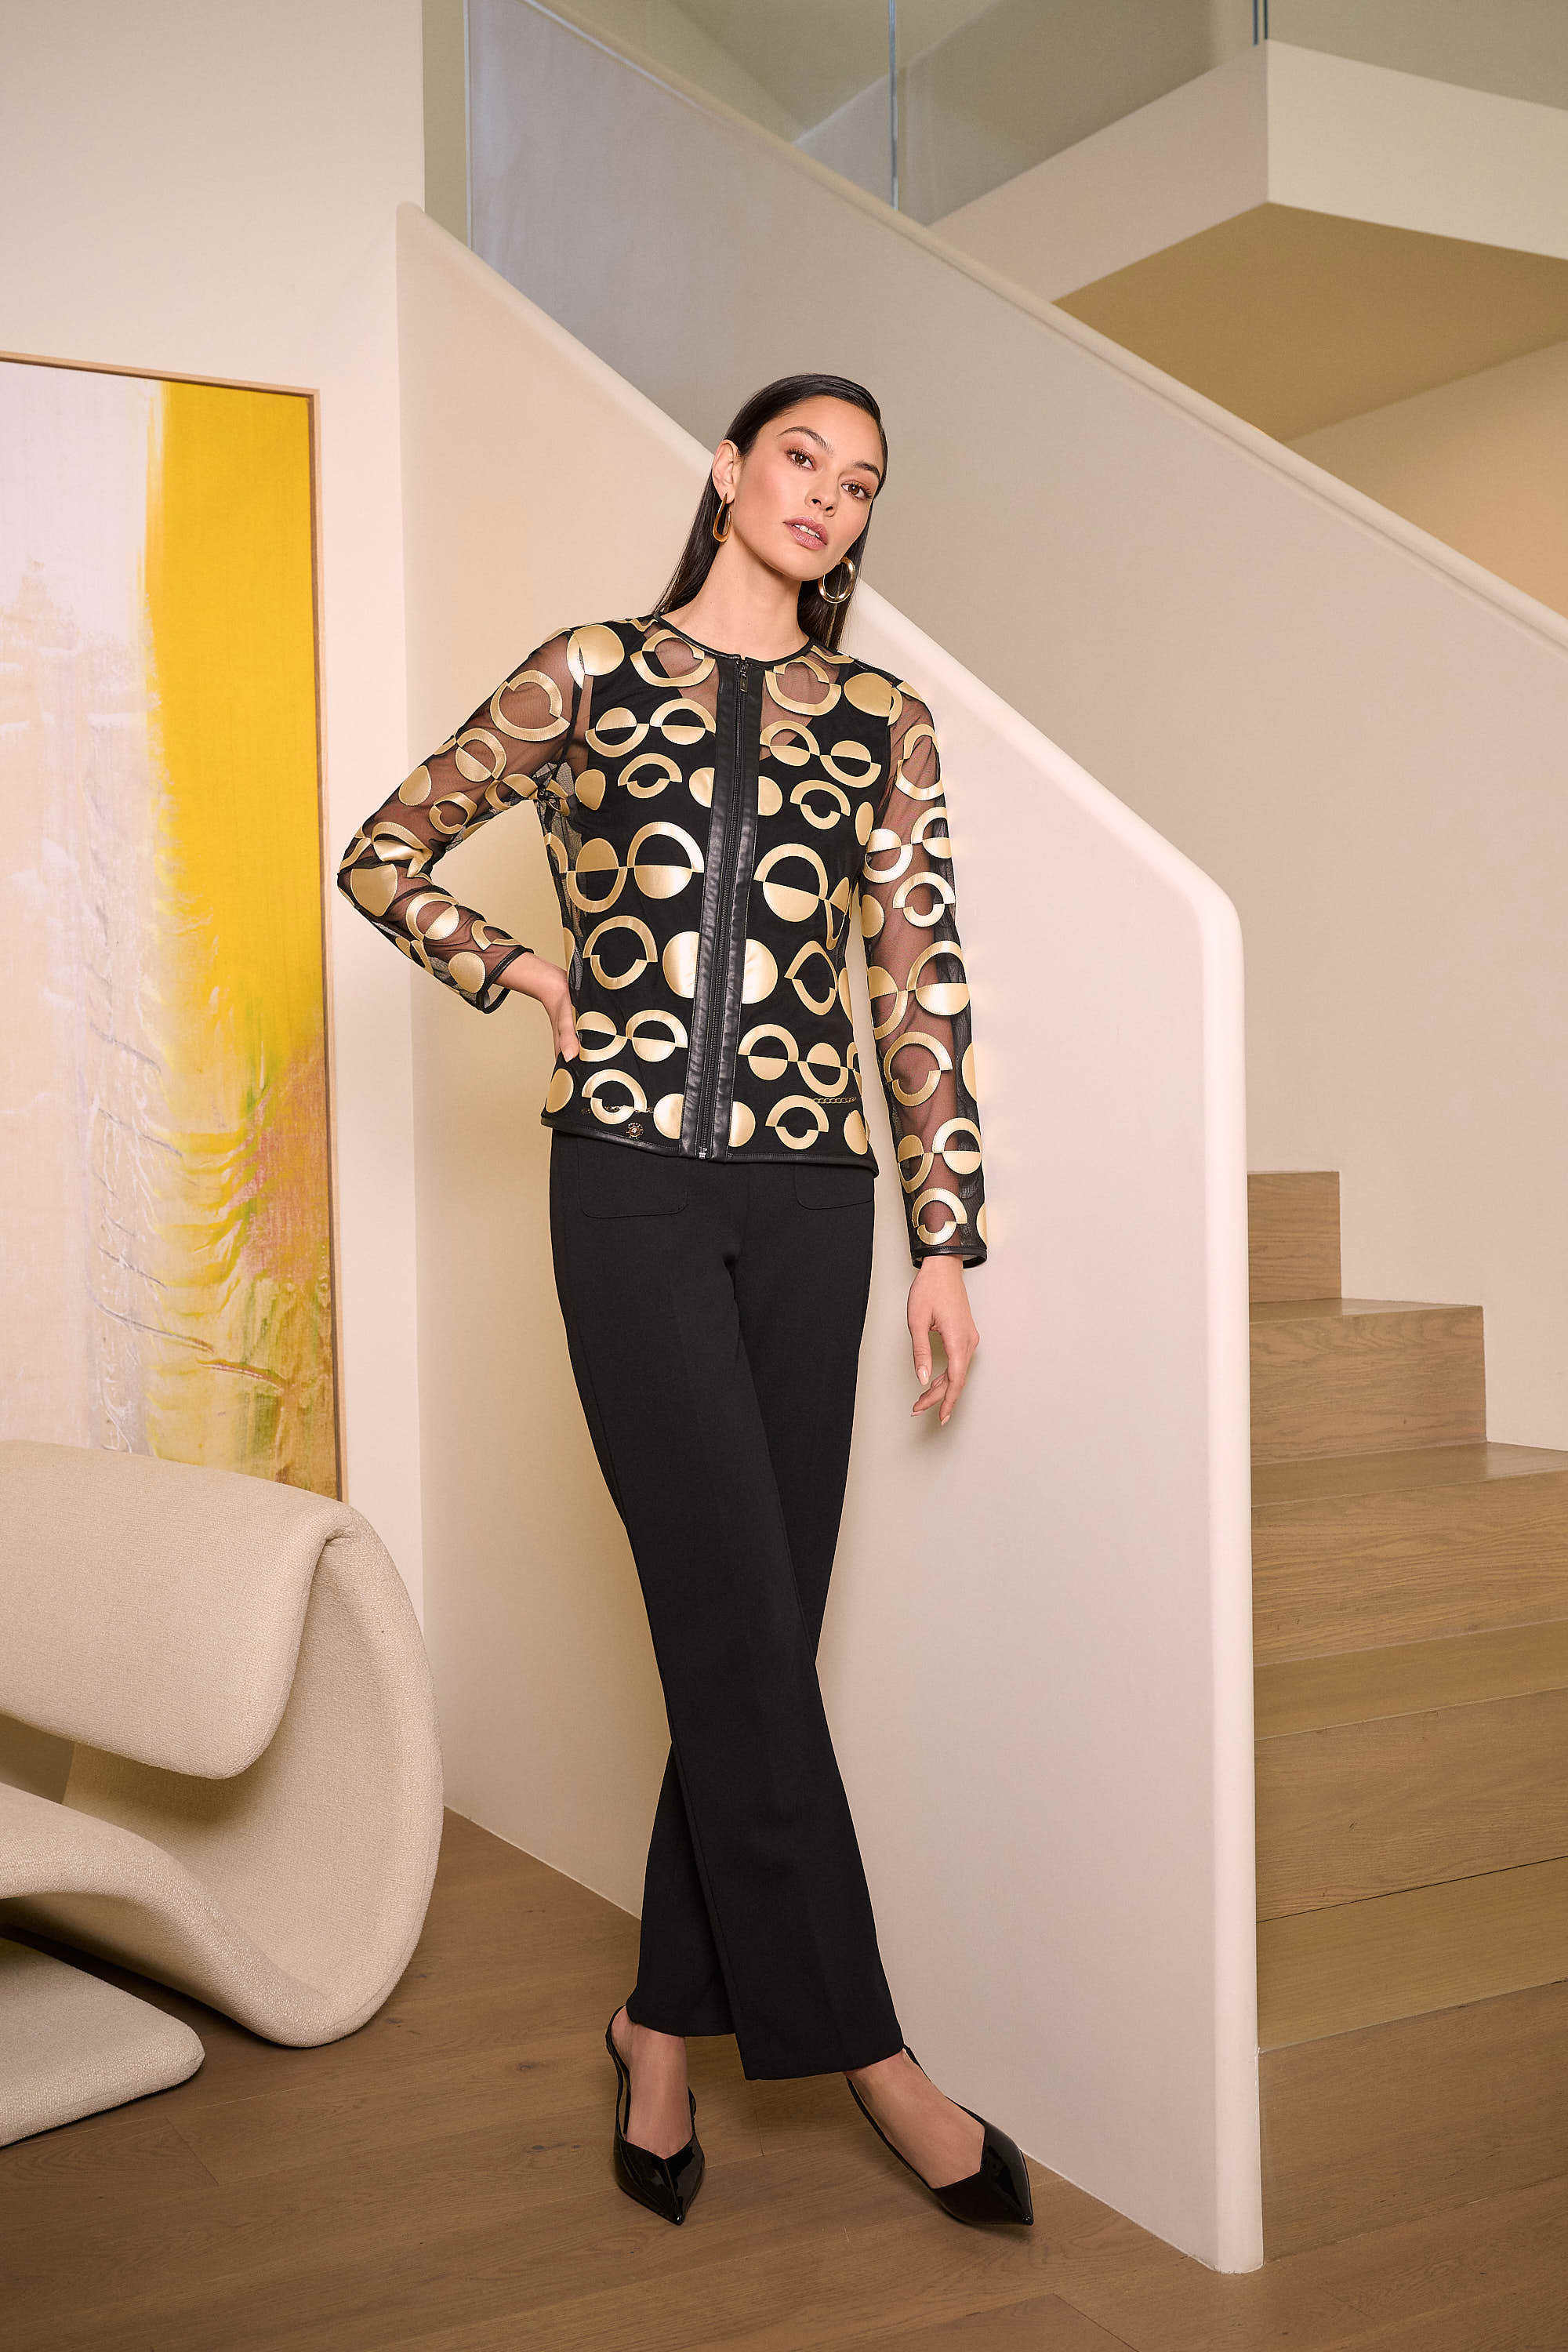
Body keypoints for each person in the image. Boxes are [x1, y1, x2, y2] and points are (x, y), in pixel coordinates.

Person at [336, 372, 1030, 2232]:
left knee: (754, 1630)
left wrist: (945, 1233)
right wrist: (522, 973)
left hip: (816, 1203)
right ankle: (873, 2055)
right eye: (800, 457)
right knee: (733, 1613)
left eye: (858, 483)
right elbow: (384, 852)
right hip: (629, 1184)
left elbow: (915, 974)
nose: (827, 497)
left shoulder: (880, 721)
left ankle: (657, 2023)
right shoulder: (593, 672)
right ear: (728, 471)